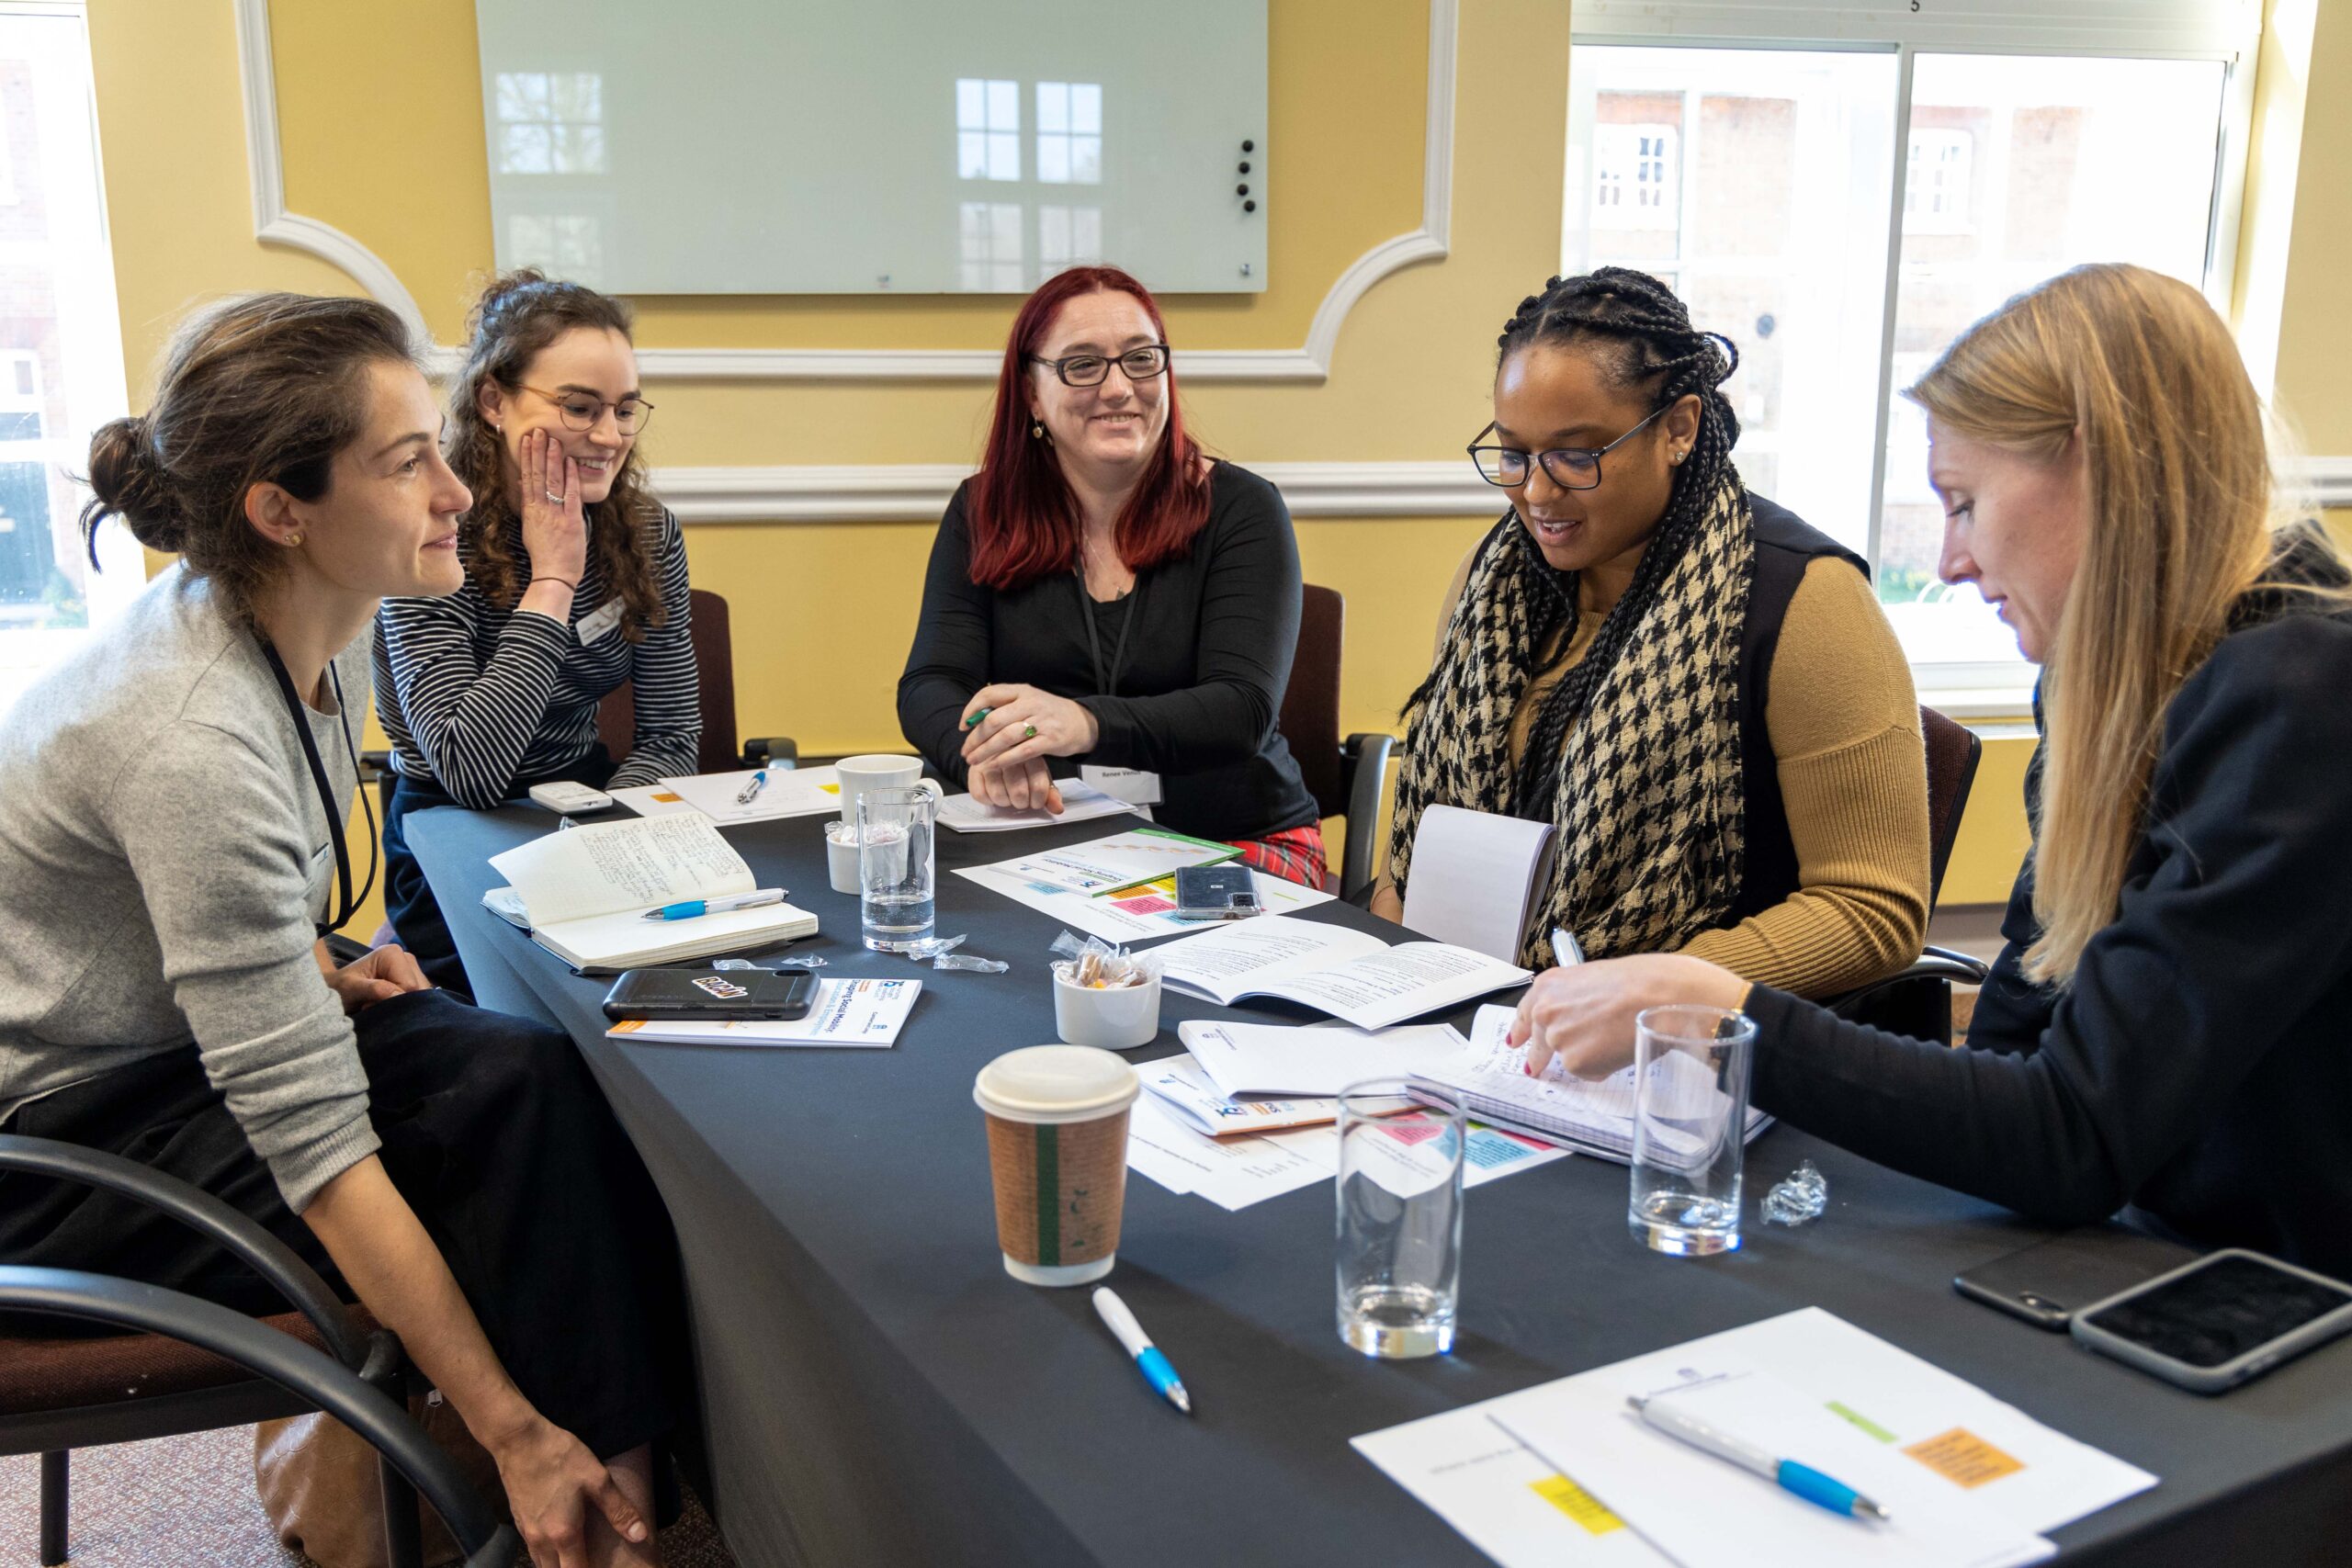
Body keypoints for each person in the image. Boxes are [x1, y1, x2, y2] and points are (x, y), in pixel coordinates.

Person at [0, 294, 684, 1567]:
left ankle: (620, 1488)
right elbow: (315, 1147)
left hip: (153, 1049)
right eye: (405, 459)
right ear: (280, 508)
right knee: (485, 1151)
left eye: (439, 444)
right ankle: (561, 1484)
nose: (456, 492)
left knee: (527, 1071)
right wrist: (511, 1421)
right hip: (63, 1141)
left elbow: (165, 906)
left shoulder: (322, 626)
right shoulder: (186, 731)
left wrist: (313, 960)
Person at [1510, 264, 2352, 1276]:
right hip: (2138, 1253)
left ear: (2097, 465)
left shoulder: (2301, 696)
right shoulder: (2104, 679)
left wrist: (1723, 1009)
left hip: (2269, 1296)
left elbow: (2075, 1135)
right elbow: (2014, 1043)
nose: (1949, 562)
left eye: (1961, 502)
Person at [1373, 266, 1931, 993]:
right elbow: (1420, 844)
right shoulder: (1493, 582)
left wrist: (1645, 988)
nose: (1537, 492)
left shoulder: (1804, 600)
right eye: (1514, 453)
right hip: (1466, 1002)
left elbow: (1873, 910)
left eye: (1577, 455)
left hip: (1683, 1046)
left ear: (1678, 428)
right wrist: (1391, 943)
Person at [897, 265, 1329, 886]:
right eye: (1082, 364)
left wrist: (1083, 722)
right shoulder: (983, 509)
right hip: (1047, 841)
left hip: (1231, 838)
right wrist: (982, 757)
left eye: (1140, 359)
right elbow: (931, 684)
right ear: (1030, 391)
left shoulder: (1243, 509)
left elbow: (1241, 708)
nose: (1119, 387)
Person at [375, 270, 698, 993]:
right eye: (580, 408)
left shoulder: (647, 531)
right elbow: (470, 770)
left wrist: (603, 835)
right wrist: (552, 579)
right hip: (449, 831)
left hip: (589, 808)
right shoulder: (431, 535)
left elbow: (672, 735)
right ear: (493, 399)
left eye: (623, 410)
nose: (609, 436)